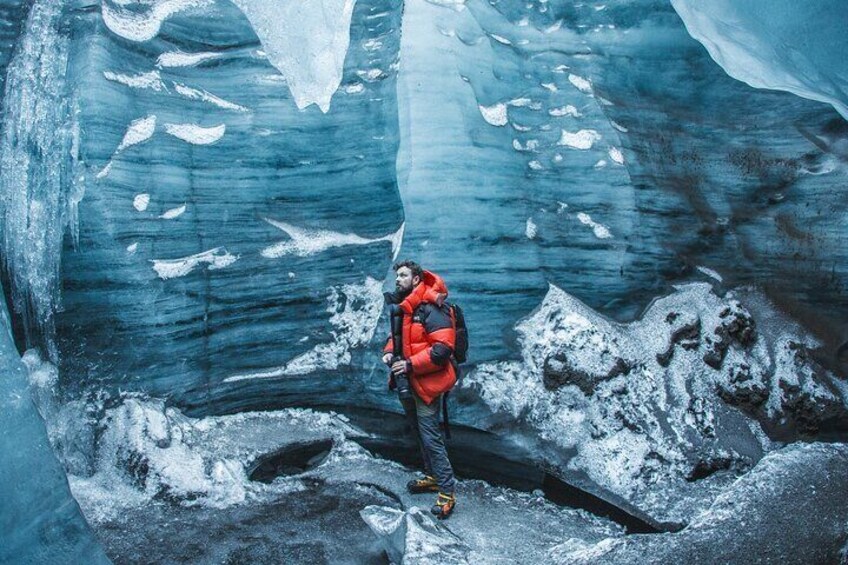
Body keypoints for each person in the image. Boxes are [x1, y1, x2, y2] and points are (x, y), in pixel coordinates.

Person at [382, 260, 458, 519]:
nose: (398, 279)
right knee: (418, 431)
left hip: (425, 381)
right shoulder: (406, 307)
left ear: (416, 279)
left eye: (403, 275)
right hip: (408, 380)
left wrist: (410, 364)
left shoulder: (431, 307)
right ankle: (433, 476)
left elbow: (442, 349)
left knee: (430, 437)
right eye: (397, 275)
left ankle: (447, 491)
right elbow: (398, 337)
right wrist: (390, 352)